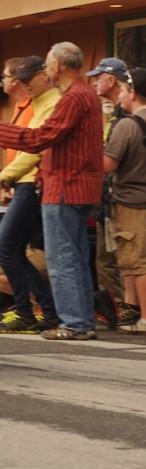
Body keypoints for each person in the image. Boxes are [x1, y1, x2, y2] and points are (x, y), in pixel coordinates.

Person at [0, 42, 104, 341]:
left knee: (62, 258)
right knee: (74, 256)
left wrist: (0, 129)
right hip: (79, 187)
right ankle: (82, 320)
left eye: (49, 64)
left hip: (64, 187)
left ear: (59, 66)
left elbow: (43, 138)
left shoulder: (72, 97)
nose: (46, 70)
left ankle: (74, 323)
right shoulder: (86, 94)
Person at [0, 56, 62, 334]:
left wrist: (6, 175)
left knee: (6, 247)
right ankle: (37, 310)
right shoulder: (34, 103)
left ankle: (37, 310)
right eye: (19, 79)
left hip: (32, 184)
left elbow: (36, 146)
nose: (22, 84)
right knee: (10, 249)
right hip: (25, 183)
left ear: (44, 75)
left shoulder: (51, 102)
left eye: (26, 79)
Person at [103, 66, 146, 334]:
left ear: (132, 92)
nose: (119, 94)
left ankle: (144, 318)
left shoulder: (127, 126)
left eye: (122, 89)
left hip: (132, 201)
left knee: (138, 262)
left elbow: (107, 164)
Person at [88, 57, 129, 322]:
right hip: (108, 197)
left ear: (111, 79)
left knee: (116, 260)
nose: (93, 82)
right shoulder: (112, 113)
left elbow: (112, 159)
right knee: (108, 260)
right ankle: (123, 309)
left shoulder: (125, 115)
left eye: (98, 77)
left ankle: (128, 308)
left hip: (121, 196)